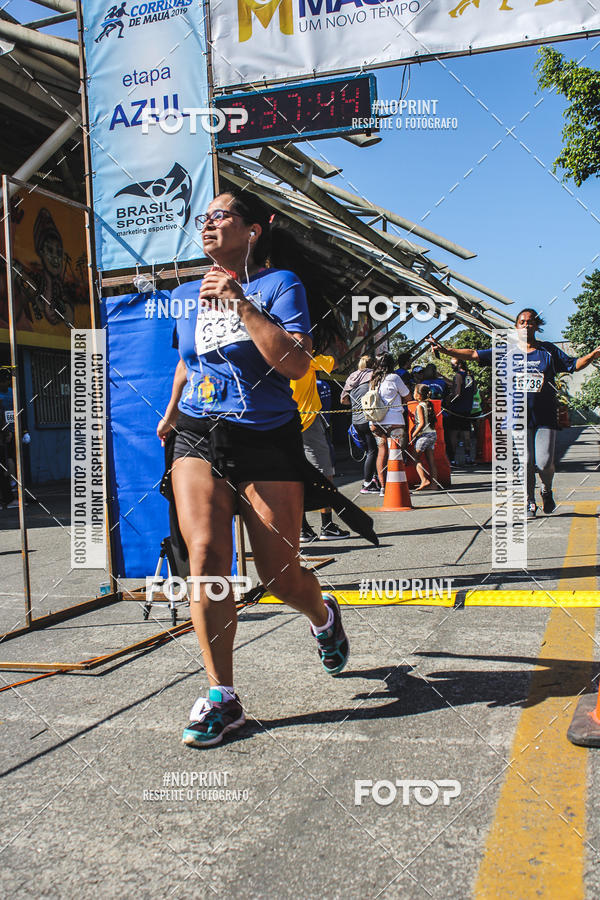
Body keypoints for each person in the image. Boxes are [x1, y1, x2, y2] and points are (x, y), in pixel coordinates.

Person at [158, 189, 351, 748]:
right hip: (198, 432)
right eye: (205, 219)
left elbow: (295, 363)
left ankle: (321, 614)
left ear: (252, 230)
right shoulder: (190, 294)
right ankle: (223, 695)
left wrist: (242, 303)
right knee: (206, 557)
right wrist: (172, 415)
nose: (208, 225)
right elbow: (185, 360)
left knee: (277, 575)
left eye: (221, 216)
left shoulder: (279, 285)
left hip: (265, 436)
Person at [429, 308, 600, 517]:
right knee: (525, 460)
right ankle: (529, 501)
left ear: (536, 326)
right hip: (517, 416)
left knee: (545, 463)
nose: (526, 325)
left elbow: (573, 365)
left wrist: (593, 354)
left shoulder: (547, 351)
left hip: (544, 416)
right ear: (516, 326)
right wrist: (446, 351)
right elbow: (473, 354)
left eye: (530, 322)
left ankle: (546, 490)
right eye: (522, 322)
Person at [291, 353, 350, 542]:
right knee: (325, 474)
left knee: (296, 477)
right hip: (308, 423)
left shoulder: (272, 358)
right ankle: (327, 526)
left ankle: (302, 529)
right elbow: (333, 362)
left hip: (284, 422)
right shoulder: (304, 357)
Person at [368, 352, 410, 496]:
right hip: (395, 422)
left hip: (376, 422)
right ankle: (398, 487)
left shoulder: (373, 380)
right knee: (396, 453)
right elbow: (408, 396)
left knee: (382, 453)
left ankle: (383, 487)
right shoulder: (395, 378)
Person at [340, 354, 379, 493]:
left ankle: (374, 479)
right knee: (373, 451)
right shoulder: (373, 376)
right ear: (372, 364)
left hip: (356, 421)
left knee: (369, 451)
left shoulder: (351, 378)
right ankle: (368, 483)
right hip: (369, 419)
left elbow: (343, 400)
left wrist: (356, 403)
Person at [443, 358, 475, 465]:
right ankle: (468, 457)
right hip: (467, 408)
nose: (452, 366)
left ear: (459, 364)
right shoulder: (470, 376)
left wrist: (448, 400)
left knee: (454, 433)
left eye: (453, 364)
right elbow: (473, 390)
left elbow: (457, 393)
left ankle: (452, 458)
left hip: (457, 409)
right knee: (466, 433)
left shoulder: (458, 376)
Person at [409, 384, 439, 491]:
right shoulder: (429, 404)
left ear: (419, 395)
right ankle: (434, 484)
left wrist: (414, 434)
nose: (413, 393)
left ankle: (424, 480)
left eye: (414, 391)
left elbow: (421, 424)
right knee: (431, 461)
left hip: (424, 436)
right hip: (432, 434)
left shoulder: (420, 406)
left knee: (414, 457)